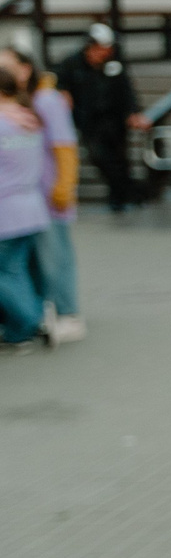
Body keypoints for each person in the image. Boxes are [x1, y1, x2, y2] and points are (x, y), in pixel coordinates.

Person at [0, 44, 79, 341]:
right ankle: (35, 315)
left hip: (46, 195)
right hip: (29, 196)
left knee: (54, 257)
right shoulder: (24, 105)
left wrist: (64, 186)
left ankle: (65, 313)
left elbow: (65, 146)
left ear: (25, 68)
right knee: (27, 264)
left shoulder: (45, 100)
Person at [52, 23, 146, 212]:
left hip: (115, 119)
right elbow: (58, 80)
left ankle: (121, 196)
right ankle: (124, 191)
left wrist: (134, 112)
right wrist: (63, 92)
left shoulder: (115, 64)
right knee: (99, 157)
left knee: (120, 157)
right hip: (89, 121)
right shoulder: (72, 63)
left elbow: (126, 90)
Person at [0, 62, 51, 353]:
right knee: (17, 269)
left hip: (6, 210)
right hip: (31, 206)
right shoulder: (28, 120)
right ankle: (22, 327)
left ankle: (29, 322)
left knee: (6, 272)